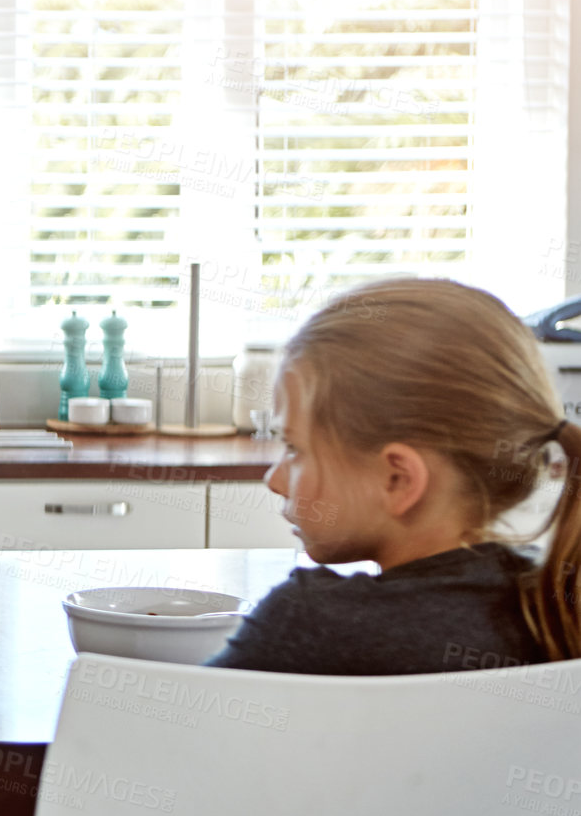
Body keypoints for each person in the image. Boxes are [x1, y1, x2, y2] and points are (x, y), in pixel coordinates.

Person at [206, 277, 581, 675]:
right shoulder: (556, 608)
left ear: (398, 480)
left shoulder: (308, 622)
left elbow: (180, 727)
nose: (275, 480)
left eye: (295, 449)